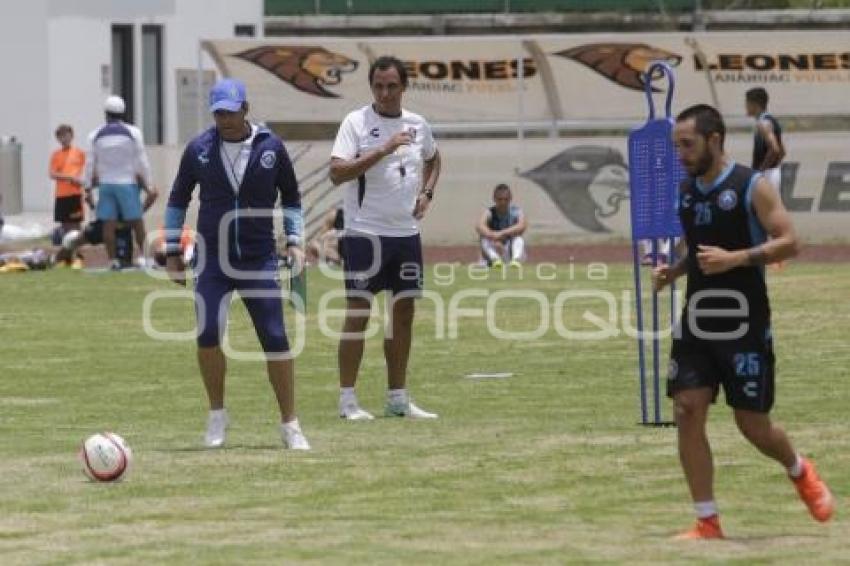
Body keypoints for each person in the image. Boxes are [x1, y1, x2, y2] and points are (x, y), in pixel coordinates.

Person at [653, 104, 833, 540]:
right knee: (686, 409)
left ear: (714, 140)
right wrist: (675, 270)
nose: (681, 153)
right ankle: (707, 521)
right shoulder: (686, 190)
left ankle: (799, 469)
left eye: (688, 144)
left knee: (752, 425)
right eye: (676, 145)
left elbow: (791, 241)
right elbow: (695, 248)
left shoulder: (751, 186)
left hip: (745, 321)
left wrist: (736, 259)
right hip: (697, 319)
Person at [164, 78, 310, 450]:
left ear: (246, 108)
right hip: (212, 258)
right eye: (218, 113)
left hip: (258, 257)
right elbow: (178, 199)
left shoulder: (271, 147)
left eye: (230, 111)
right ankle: (217, 414)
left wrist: (295, 242)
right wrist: (171, 251)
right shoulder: (198, 149)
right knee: (207, 335)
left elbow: (291, 199)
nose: (225, 119)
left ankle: (290, 424)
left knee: (275, 338)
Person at [329, 55, 442, 421]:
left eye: (392, 86)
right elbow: (337, 173)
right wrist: (383, 148)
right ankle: (347, 400)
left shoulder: (418, 124)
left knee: (404, 315)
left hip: (406, 235)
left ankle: (398, 398)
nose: (385, 92)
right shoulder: (356, 122)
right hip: (365, 233)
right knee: (358, 314)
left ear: (403, 87)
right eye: (378, 86)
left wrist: (426, 194)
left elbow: (434, 158)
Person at [83, 95, 153, 270]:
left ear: (106, 113)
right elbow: (141, 160)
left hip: (106, 184)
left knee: (108, 223)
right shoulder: (133, 132)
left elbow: (90, 162)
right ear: (123, 112)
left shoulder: (94, 134)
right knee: (137, 222)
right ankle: (146, 259)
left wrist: (87, 187)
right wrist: (149, 184)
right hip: (127, 182)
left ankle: (113, 260)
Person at [54, 186, 159, 268]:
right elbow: (88, 187)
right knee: (72, 240)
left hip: (122, 227)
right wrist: (93, 205)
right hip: (105, 223)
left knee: (123, 264)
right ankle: (54, 260)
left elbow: (153, 192)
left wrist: (136, 214)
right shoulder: (108, 172)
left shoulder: (132, 172)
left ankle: (147, 260)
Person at [49, 124, 86, 267]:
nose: (64, 139)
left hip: (75, 194)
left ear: (71, 136)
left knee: (76, 227)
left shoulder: (80, 153)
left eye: (66, 135)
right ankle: (67, 256)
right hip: (61, 195)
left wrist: (81, 182)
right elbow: (52, 173)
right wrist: (69, 177)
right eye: (61, 136)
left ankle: (78, 255)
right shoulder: (56, 155)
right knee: (65, 227)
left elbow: (86, 171)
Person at [475, 183, 527, 268]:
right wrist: (492, 236)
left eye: (506, 199)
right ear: (494, 199)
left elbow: (522, 226)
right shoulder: (490, 212)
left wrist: (501, 233)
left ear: (510, 199)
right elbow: (479, 226)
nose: (503, 202)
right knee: (484, 239)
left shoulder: (516, 211)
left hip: (510, 249)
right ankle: (495, 260)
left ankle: (515, 260)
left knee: (518, 239)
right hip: (496, 248)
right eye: (500, 199)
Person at [745, 87, 785, 191]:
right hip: (773, 173)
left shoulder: (763, 123)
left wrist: (761, 171)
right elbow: (782, 151)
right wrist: (774, 168)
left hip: (767, 174)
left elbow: (775, 149)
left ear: (754, 104)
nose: (746, 107)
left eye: (747, 103)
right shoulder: (771, 121)